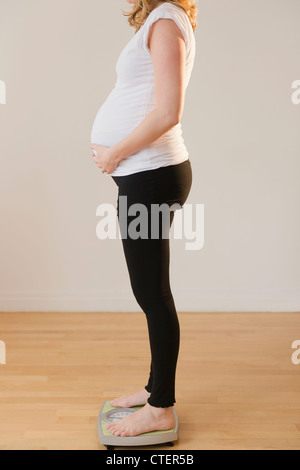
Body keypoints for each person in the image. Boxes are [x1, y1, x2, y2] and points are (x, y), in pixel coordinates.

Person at [90, 0, 197, 437]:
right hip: (146, 176)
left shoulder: (167, 20)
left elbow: (169, 111)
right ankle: (156, 388)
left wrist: (114, 151)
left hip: (150, 177)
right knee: (150, 291)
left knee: (152, 293)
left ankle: (161, 408)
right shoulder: (163, 20)